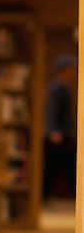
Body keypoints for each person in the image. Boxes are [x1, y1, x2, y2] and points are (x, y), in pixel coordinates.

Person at [43, 53, 77, 199]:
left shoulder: (65, 88)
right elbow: (52, 110)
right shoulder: (57, 88)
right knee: (56, 169)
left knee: (65, 169)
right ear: (64, 69)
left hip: (65, 134)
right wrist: (53, 130)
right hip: (59, 136)